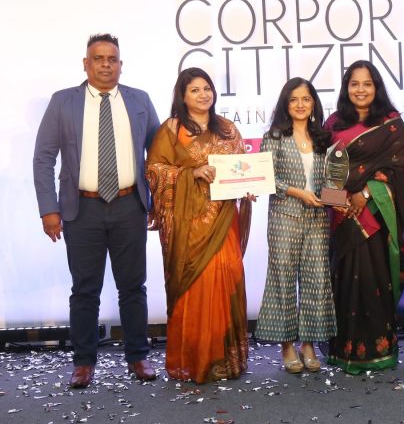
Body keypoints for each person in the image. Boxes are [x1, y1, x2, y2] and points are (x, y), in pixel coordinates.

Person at [33, 34, 160, 388]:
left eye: (112, 59)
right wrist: (48, 209)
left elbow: (159, 155)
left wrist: (157, 202)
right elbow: (43, 157)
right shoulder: (63, 101)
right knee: (85, 290)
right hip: (81, 208)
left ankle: (138, 357)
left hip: (130, 205)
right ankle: (84, 362)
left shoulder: (139, 100)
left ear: (121, 64)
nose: (106, 64)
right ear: (86, 64)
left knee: (133, 286)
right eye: (99, 58)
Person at [146, 67, 253, 383]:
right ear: (182, 96)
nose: (203, 94)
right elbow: (154, 171)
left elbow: (242, 170)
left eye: (207, 88)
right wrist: (190, 174)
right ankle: (195, 359)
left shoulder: (228, 130)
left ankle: (225, 359)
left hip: (224, 220)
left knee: (228, 274)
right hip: (188, 226)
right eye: (194, 90)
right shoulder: (171, 130)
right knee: (198, 286)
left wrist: (247, 187)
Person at [323, 60, 404, 374]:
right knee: (344, 281)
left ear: (377, 87)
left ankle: (378, 349)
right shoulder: (333, 123)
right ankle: (343, 350)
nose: (360, 90)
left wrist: (366, 194)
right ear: (346, 88)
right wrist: (339, 201)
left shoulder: (391, 123)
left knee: (374, 280)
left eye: (367, 84)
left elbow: (400, 167)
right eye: (354, 84)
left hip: (375, 215)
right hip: (341, 216)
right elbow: (323, 170)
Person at [255, 77, 336, 373]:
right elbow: (267, 178)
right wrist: (298, 192)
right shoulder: (274, 137)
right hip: (284, 217)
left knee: (316, 279)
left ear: (314, 103)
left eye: (306, 99)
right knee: (283, 280)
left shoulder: (323, 138)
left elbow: (332, 179)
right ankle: (287, 345)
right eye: (294, 99)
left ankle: (309, 344)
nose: (300, 105)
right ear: (285, 104)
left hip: (317, 219)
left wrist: (336, 197)